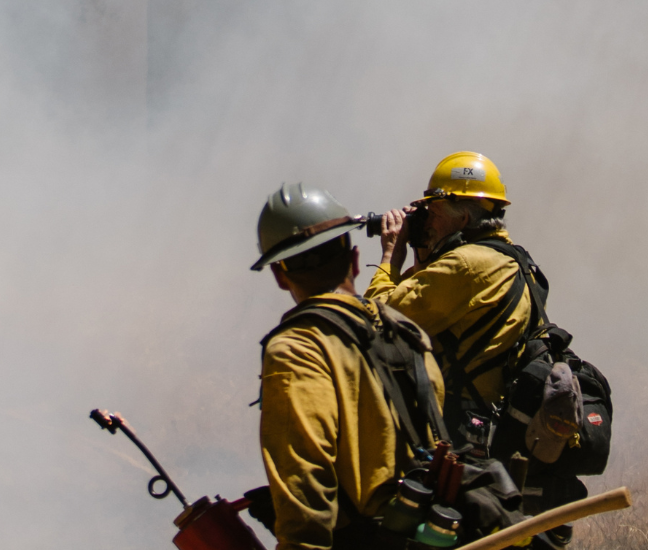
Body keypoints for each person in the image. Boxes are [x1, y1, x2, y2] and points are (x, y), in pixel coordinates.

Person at [365, 151, 582, 543]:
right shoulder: (512, 262)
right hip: (486, 440)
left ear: (463, 217)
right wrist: (425, 250)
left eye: (432, 210)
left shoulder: (465, 266)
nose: (425, 218)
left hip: (453, 440)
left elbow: (378, 324)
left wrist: (389, 258)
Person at [249, 184, 447, 550]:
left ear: (279, 274)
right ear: (355, 261)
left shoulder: (297, 348)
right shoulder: (408, 332)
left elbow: (304, 478)